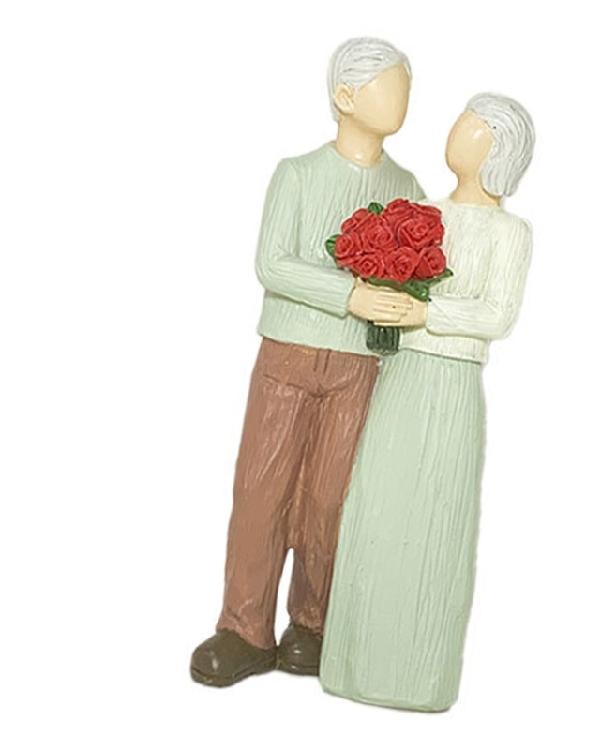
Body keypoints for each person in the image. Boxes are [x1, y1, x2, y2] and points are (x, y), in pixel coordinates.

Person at [190, 37, 425, 687]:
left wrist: (404, 303)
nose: (402, 98)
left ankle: (314, 623)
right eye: (389, 85)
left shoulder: (407, 188)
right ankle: (244, 628)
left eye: (406, 86)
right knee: (261, 491)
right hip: (288, 355)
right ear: (346, 96)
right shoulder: (297, 174)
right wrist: (350, 293)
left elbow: (417, 272)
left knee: (330, 499)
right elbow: (273, 263)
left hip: (357, 365)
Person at [320, 93, 535, 711]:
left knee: (432, 516)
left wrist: (424, 312)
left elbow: (497, 315)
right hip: (400, 376)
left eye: (472, 125)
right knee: (375, 507)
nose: (457, 130)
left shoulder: (510, 233)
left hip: (450, 387)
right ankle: (354, 662)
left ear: (498, 148)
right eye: (461, 120)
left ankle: (415, 675)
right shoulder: (423, 212)